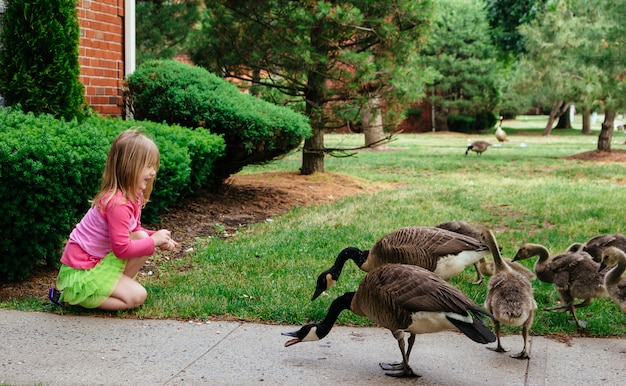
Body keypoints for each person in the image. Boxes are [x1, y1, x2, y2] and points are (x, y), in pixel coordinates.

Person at [49, 129, 179, 310]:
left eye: (153, 166)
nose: (153, 173)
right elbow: (122, 248)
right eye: (148, 166)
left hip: (97, 261)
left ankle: (112, 287)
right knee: (137, 296)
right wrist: (154, 241)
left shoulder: (134, 195)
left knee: (142, 237)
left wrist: (156, 237)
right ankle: (73, 298)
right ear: (129, 166)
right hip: (83, 270)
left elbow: (134, 230)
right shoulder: (117, 203)